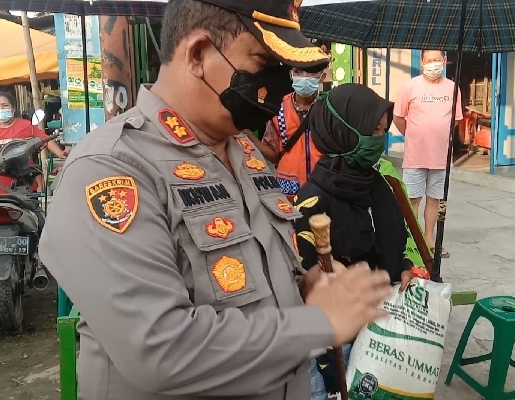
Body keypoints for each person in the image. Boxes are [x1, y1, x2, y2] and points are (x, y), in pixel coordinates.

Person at [38, 0, 394, 399]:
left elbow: (249, 280)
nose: (279, 84)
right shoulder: (111, 168)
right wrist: (318, 324)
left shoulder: (245, 151)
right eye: (263, 64)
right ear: (198, 54)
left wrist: (300, 288)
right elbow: (161, 350)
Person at [293, 83, 415, 400]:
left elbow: (389, 243)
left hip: (383, 326)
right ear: (343, 132)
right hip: (340, 338)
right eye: (372, 131)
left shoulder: (379, 186)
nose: (379, 140)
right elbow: (310, 280)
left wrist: (402, 267)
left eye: (383, 131)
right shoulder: (312, 201)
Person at [393, 49, 463, 261]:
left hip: (441, 157)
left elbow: (455, 120)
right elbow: (398, 117)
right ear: (422, 63)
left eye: (437, 60)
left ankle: (429, 238)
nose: (433, 64)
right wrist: (414, 135)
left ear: (445, 61)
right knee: (412, 200)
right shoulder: (410, 86)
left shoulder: (453, 88)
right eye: (429, 60)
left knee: (434, 199)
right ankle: (411, 239)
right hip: (415, 156)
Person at [247, 65, 327, 201]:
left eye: (311, 72)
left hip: (324, 189)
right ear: (291, 75)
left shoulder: (331, 107)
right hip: (288, 191)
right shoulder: (278, 107)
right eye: (298, 72)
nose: (304, 77)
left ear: (322, 77)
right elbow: (274, 154)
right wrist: (250, 137)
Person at [0, 91, 68, 195]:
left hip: (22, 187)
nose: (1, 109)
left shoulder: (25, 126)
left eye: (5, 105)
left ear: (13, 108)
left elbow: (45, 140)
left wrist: (60, 153)